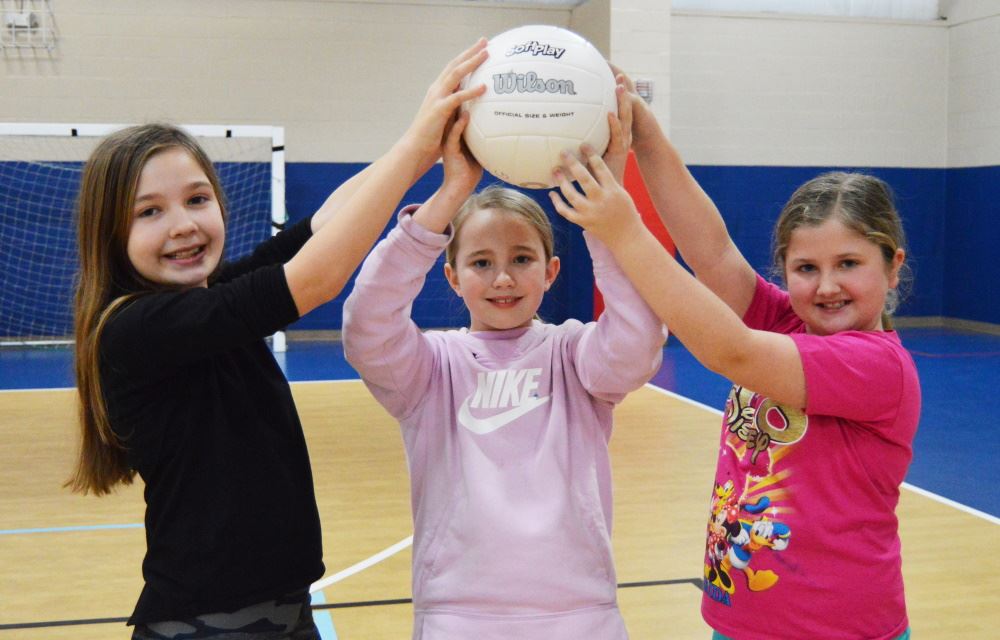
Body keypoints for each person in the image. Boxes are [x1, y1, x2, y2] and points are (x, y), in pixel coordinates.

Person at [66, 39, 489, 640]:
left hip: (280, 612)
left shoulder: (203, 304)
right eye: (149, 212)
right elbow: (315, 277)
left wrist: (428, 159)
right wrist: (416, 144)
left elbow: (319, 230)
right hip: (207, 626)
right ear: (109, 234)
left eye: (196, 199)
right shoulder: (135, 329)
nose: (184, 224)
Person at [549, 71, 919, 640]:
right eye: (806, 269)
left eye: (849, 264)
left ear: (893, 266)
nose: (826, 287)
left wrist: (625, 231)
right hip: (740, 619)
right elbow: (713, 251)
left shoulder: (877, 366)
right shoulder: (789, 321)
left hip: (841, 628)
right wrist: (647, 139)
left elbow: (732, 352)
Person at [341, 85, 665, 639]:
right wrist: (448, 197)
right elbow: (366, 325)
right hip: (457, 614)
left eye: (522, 259)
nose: (504, 278)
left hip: (579, 612)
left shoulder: (573, 354)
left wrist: (607, 226)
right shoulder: (429, 369)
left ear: (551, 272)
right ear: (451, 275)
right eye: (481, 262)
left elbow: (637, 343)